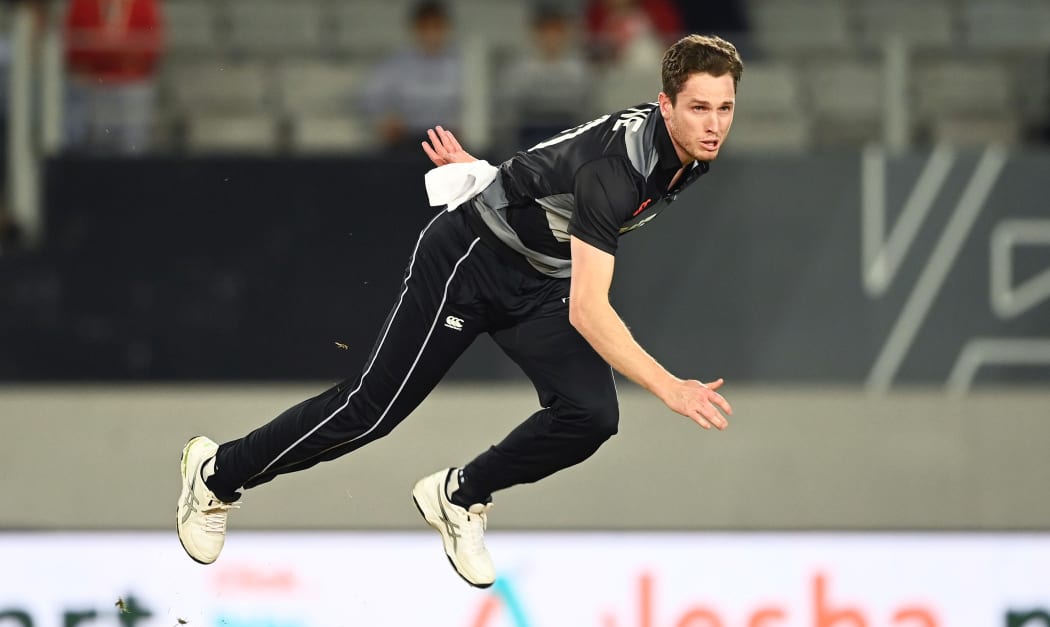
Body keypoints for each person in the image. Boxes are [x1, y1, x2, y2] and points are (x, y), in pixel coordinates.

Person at [177, 34, 741, 589]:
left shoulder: (687, 153)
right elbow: (590, 310)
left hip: (541, 277)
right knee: (372, 411)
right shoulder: (619, 172)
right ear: (665, 106)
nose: (713, 124)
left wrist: (497, 176)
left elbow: (561, 160)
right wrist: (670, 387)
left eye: (724, 108)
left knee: (590, 416)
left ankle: (458, 496)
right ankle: (216, 476)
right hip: (471, 260)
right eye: (698, 108)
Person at [62, 0, 164, 154]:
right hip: (93, 86)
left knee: (132, 140)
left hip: (129, 86)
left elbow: (151, 49)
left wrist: (106, 55)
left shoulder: (144, 4)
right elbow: (73, 50)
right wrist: (116, 54)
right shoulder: (82, 4)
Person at [360, 1, 462, 152]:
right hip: (405, 139)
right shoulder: (396, 63)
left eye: (436, 27)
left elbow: (473, 104)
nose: (431, 34)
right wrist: (385, 119)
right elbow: (370, 98)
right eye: (426, 27)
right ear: (416, 29)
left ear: (446, 28)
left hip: (450, 140)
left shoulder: (462, 63)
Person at [499, 4, 591, 149]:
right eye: (545, 31)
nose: (551, 37)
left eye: (556, 31)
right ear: (535, 33)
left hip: (569, 133)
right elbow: (510, 111)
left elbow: (587, 110)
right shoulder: (519, 69)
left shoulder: (580, 69)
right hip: (528, 135)